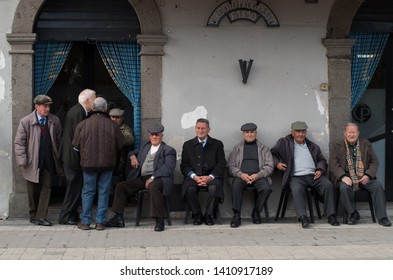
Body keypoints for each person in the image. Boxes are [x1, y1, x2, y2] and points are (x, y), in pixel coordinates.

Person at [106, 123, 176, 232]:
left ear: (161, 136)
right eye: (152, 135)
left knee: (153, 187)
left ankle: (159, 220)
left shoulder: (168, 150)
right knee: (121, 186)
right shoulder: (145, 146)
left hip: (160, 178)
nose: (154, 137)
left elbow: (168, 168)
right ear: (149, 136)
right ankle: (118, 218)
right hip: (143, 177)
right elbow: (131, 152)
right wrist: (133, 157)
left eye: (157, 135)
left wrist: (153, 177)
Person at [271, 121, 339, 228]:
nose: (300, 134)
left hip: (313, 176)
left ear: (306, 132)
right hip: (296, 177)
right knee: (297, 189)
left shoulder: (312, 146)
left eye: (302, 132)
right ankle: (303, 217)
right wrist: (277, 164)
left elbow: (321, 160)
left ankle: (331, 215)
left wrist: (320, 170)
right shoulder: (284, 142)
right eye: (297, 132)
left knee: (328, 185)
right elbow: (272, 154)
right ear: (292, 132)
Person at [72, 97, 124, 231]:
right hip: (107, 164)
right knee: (104, 192)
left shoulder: (83, 124)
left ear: (93, 108)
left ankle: (85, 222)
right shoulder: (113, 125)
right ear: (106, 108)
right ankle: (100, 222)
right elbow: (120, 145)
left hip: (88, 165)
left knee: (88, 192)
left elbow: (75, 146)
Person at [14, 95, 64, 226]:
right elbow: (19, 143)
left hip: (48, 160)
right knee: (32, 190)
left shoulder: (55, 120)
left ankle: (41, 216)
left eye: (49, 106)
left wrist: (58, 157)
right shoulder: (26, 121)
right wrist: (22, 160)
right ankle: (33, 214)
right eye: (45, 106)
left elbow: (59, 140)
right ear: (37, 107)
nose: (47, 109)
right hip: (31, 161)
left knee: (46, 187)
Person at [329, 122, 391, 226]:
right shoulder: (337, 145)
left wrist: (368, 175)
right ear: (345, 133)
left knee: (377, 186)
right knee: (344, 188)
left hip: (363, 176)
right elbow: (333, 164)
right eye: (349, 132)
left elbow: (374, 162)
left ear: (358, 133)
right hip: (346, 177)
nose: (351, 134)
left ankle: (382, 217)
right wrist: (343, 177)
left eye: (354, 132)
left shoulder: (365, 144)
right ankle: (353, 214)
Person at [58, 88, 96, 225]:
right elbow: (80, 137)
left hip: (70, 155)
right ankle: (66, 216)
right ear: (87, 100)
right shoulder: (79, 112)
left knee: (74, 186)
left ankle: (71, 214)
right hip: (72, 156)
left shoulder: (77, 110)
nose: (95, 103)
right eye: (93, 100)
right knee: (73, 187)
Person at [180, 118, 227, 226]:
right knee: (189, 189)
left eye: (203, 128)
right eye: (198, 128)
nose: (200, 131)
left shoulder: (217, 144)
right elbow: (184, 165)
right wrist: (195, 177)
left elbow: (221, 164)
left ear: (208, 130)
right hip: (193, 178)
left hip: (212, 177)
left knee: (214, 188)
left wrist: (210, 177)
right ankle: (197, 215)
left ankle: (208, 215)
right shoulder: (188, 145)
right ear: (195, 129)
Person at [227, 122, 274, 228]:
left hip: (258, 177)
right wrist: (241, 174)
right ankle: (236, 215)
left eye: (252, 132)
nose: (249, 134)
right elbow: (230, 166)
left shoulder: (264, 148)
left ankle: (256, 212)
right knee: (236, 185)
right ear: (243, 134)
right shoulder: (237, 148)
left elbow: (270, 167)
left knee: (266, 188)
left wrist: (257, 175)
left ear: (256, 133)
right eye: (247, 132)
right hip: (241, 177)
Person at [109, 108, 134, 183]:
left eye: (117, 117)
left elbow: (130, 140)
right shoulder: (106, 127)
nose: (114, 119)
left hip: (120, 160)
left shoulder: (125, 129)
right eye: (112, 117)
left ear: (122, 118)